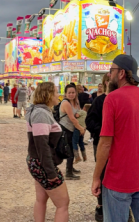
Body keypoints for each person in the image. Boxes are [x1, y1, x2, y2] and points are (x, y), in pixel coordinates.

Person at [91, 54, 139, 222]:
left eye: (111, 70)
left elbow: (105, 144)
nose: (109, 75)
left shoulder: (112, 99)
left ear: (121, 73)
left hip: (119, 178)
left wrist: (96, 177)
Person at [25, 82, 69, 222]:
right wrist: (51, 173)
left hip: (37, 162)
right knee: (63, 204)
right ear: (48, 94)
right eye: (56, 92)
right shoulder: (41, 114)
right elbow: (42, 146)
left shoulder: (37, 110)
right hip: (43, 164)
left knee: (41, 199)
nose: (58, 95)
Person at [85, 74, 110, 221]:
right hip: (100, 143)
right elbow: (89, 121)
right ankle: (101, 204)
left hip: (119, 145)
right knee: (102, 172)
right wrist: (104, 131)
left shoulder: (121, 100)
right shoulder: (99, 101)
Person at [58, 83, 86, 180]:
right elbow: (72, 118)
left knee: (73, 148)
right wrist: (81, 128)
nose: (71, 94)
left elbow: (79, 113)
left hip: (73, 129)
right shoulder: (66, 103)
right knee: (70, 150)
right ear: (65, 94)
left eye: (73, 92)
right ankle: (68, 173)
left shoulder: (76, 101)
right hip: (66, 129)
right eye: (69, 93)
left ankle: (70, 168)